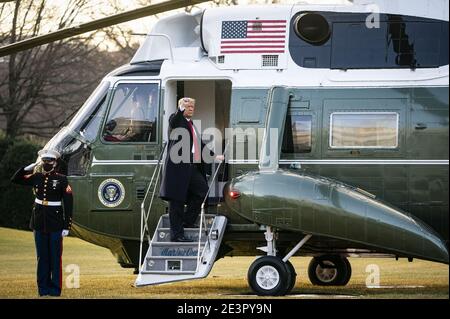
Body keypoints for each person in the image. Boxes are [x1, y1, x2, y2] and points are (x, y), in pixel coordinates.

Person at [159, 97, 224, 242]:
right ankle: (177, 235)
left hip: (191, 168)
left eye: (192, 107)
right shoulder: (177, 120)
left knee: (202, 192)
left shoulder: (191, 124)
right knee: (176, 201)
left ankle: (186, 221)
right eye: (188, 107)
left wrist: (214, 156)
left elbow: (199, 145)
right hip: (177, 168)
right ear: (181, 107)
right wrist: (180, 108)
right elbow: (173, 121)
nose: (191, 109)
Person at [11, 149, 73, 297]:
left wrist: (66, 226)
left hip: (56, 223)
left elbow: (69, 204)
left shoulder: (62, 179)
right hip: (39, 222)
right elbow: (15, 179)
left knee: (55, 257)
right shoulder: (36, 177)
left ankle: (55, 289)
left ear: (55, 162)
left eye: (49, 161)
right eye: (44, 161)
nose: (47, 164)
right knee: (42, 258)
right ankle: (43, 289)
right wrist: (27, 168)